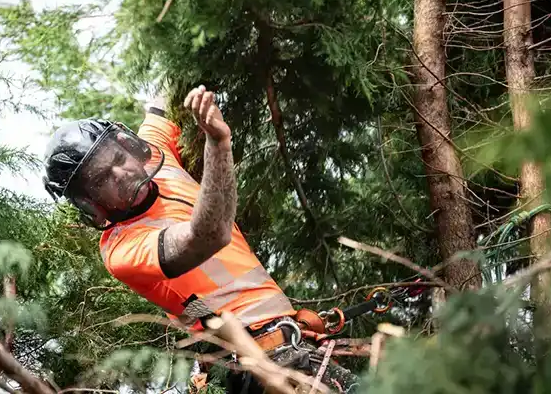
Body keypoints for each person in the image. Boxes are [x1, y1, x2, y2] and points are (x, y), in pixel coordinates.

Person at [41, 85, 359, 393]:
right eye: (102, 179)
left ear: (129, 146)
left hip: (286, 338)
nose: (121, 174)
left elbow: (167, 87)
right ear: (90, 203)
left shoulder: (154, 151)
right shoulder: (122, 248)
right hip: (248, 364)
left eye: (118, 159)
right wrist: (217, 143)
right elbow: (208, 236)